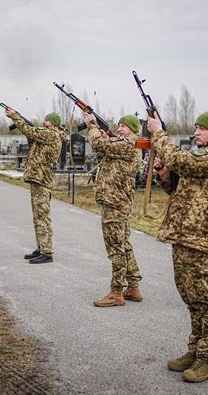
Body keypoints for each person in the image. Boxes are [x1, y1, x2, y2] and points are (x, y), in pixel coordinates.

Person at [147, 110, 208, 383]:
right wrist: (165, 176)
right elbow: (180, 192)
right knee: (191, 298)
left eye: (202, 128)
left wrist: (158, 132)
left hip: (202, 238)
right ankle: (195, 350)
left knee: (206, 298)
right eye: (196, 128)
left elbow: (178, 158)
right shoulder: (202, 156)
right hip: (184, 235)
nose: (196, 132)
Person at [84, 112, 143, 307]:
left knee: (115, 247)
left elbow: (100, 145)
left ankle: (116, 292)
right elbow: (104, 152)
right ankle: (133, 287)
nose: (119, 129)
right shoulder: (124, 143)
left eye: (123, 126)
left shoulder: (130, 143)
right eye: (119, 125)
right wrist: (101, 134)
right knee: (124, 244)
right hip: (117, 200)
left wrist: (92, 127)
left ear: (133, 129)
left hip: (114, 202)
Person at [5, 108, 65, 264]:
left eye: (46, 120)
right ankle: (41, 248)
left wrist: (15, 117)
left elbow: (30, 131)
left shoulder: (52, 134)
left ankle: (47, 252)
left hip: (42, 180)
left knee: (42, 217)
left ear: (52, 123)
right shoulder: (47, 135)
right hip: (37, 179)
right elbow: (33, 139)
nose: (43, 122)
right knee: (38, 216)